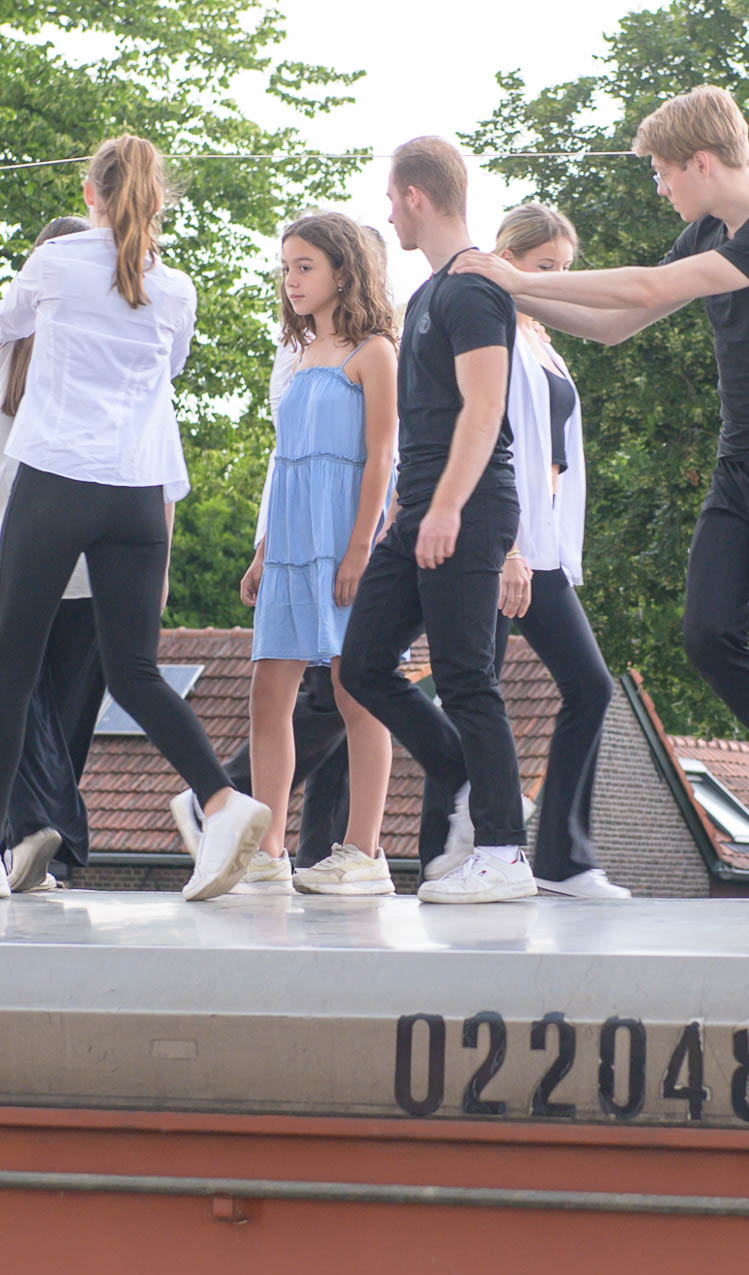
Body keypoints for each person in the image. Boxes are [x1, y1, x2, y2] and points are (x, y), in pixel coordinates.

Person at [454, 86, 749, 901]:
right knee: (708, 633)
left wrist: (505, 275)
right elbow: (616, 324)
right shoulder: (706, 233)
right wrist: (505, 292)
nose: (660, 187)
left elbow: (643, 288)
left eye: (663, 173)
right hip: (741, 465)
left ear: (701, 162)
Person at [0, 134, 269, 903]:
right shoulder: (176, 288)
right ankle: (221, 799)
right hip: (138, 494)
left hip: (58, 483)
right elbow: (168, 367)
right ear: (158, 199)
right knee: (134, 671)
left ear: (91, 194)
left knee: (10, 675)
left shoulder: (54, 262)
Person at [339, 135, 535, 905]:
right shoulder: (425, 296)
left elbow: (485, 409)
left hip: (468, 505)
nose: (388, 214)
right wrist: (405, 512)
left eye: (392, 199)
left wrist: (449, 506)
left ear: (416, 196)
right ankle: (464, 771)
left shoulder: (474, 290)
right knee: (362, 664)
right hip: (417, 509)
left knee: (465, 676)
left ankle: (504, 852)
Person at [235, 211, 398, 895]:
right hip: (289, 542)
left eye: (305, 266)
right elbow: (286, 461)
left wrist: (360, 548)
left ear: (343, 270)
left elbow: (382, 457)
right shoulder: (299, 354)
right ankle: (268, 850)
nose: (291, 280)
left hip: (342, 540)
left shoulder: (376, 352)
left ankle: (364, 851)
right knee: (267, 693)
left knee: (355, 691)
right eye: (286, 268)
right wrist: (264, 548)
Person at [0, 214, 104, 892]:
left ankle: (34, 829)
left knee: (13, 703)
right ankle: (41, 853)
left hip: (7, 551)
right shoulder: (111, 349)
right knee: (68, 713)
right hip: (95, 559)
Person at [481, 202, 629, 899]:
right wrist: (509, 547)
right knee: (462, 689)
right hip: (509, 545)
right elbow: (495, 441)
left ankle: (560, 860)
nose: (557, 280)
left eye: (565, 269)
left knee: (583, 687)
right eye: (546, 267)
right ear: (508, 261)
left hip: (542, 547)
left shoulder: (541, 337)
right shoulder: (497, 333)